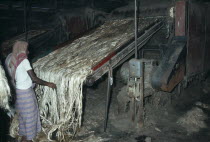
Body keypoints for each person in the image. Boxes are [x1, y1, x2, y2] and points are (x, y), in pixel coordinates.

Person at [5, 41, 56, 142]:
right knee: (30, 118)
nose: (28, 52)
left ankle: (23, 137)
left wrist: (30, 84)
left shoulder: (13, 59)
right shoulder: (24, 61)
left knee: (24, 117)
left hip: (20, 93)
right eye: (26, 49)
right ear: (22, 50)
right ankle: (27, 139)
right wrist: (49, 84)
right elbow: (34, 79)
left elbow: (18, 77)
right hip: (26, 94)